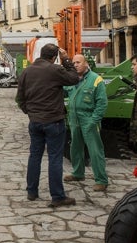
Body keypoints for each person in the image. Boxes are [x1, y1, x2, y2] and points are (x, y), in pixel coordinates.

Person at [16, 43, 79, 207]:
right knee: (55, 158)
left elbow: (20, 98)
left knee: (34, 155)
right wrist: (66, 60)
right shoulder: (55, 70)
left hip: (35, 121)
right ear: (54, 57)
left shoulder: (27, 71)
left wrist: (29, 112)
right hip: (53, 121)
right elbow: (74, 78)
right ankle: (57, 196)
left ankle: (32, 191)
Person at [64, 54, 109, 192]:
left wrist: (94, 120)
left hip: (88, 119)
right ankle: (78, 173)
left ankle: (101, 180)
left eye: (78, 62)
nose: (76, 65)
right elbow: (64, 92)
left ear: (86, 63)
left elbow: (102, 103)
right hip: (74, 119)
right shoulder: (71, 80)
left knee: (95, 150)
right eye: (74, 62)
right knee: (75, 148)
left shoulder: (96, 80)